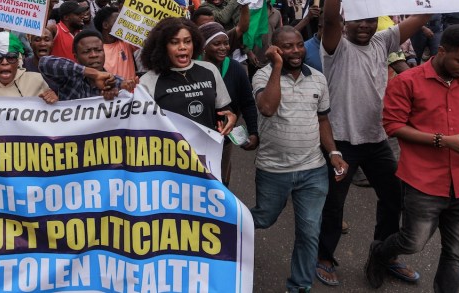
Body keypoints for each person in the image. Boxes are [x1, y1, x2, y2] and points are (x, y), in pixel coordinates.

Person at [315, 0, 428, 287]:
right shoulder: (335, 45)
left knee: (393, 199)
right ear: (347, 23)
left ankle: (386, 255)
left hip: (378, 140)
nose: (363, 26)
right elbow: (330, 17)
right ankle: (324, 256)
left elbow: (422, 16)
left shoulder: (383, 41)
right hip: (342, 143)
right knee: (334, 205)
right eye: (356, 21)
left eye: (368, 20)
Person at [365, 25, 459, 291]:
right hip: (423, 183)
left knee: (458, 254)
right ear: (442, 51)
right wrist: (443, 141)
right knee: (413, 242)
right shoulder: (407, 82)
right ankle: (379, 253)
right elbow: (393, 126)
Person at [252, 26, 348, 293]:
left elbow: (323, 119)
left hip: (313, 170)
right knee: (263, 219)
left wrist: (333, 153)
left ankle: (299, 287)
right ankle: (217, 233)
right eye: (286, 47)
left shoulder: (318, 78)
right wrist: (277, 66)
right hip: (273, 170)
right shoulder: (262, 75)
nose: (295, 51)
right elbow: (267, 108)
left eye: (298, 45)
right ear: (274, 49)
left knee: (309, 233)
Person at [139, 17, 236, 134]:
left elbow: (222, 109)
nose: (182, 47)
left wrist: (230, 117)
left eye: (187, 41)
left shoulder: (210, 70)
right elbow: (142, 124)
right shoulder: (147, 81)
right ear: (162, 46)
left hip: (208, 149)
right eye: (174, 42)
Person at [200, 21, 259, 185]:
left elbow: (247, 102)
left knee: (220, 185)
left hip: (222, 140)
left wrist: (253, 132)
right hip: (195, 140)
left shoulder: (235, 69)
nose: (223, 48)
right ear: (204, 46)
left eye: (226, 43)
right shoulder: (191, 67)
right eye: (216, 43)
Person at [39, 31, 132, 101]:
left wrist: (119, 92)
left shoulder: (114, 81)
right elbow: (44, 63)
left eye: (98, 50)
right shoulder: (69, 78)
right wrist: (94, 74)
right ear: (76, 57)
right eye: (86, 51)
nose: (94, 55)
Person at [0, 32, 58, 103]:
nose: (5, 62)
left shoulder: (36, 81)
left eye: (11, 57)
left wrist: (52, 99)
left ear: (18, 60)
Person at [94, 7, 137, 80]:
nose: (122, 23)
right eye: (118, 20)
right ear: (105, 25)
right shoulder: (97, 51)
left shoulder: (126, 42)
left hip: (133, 91)